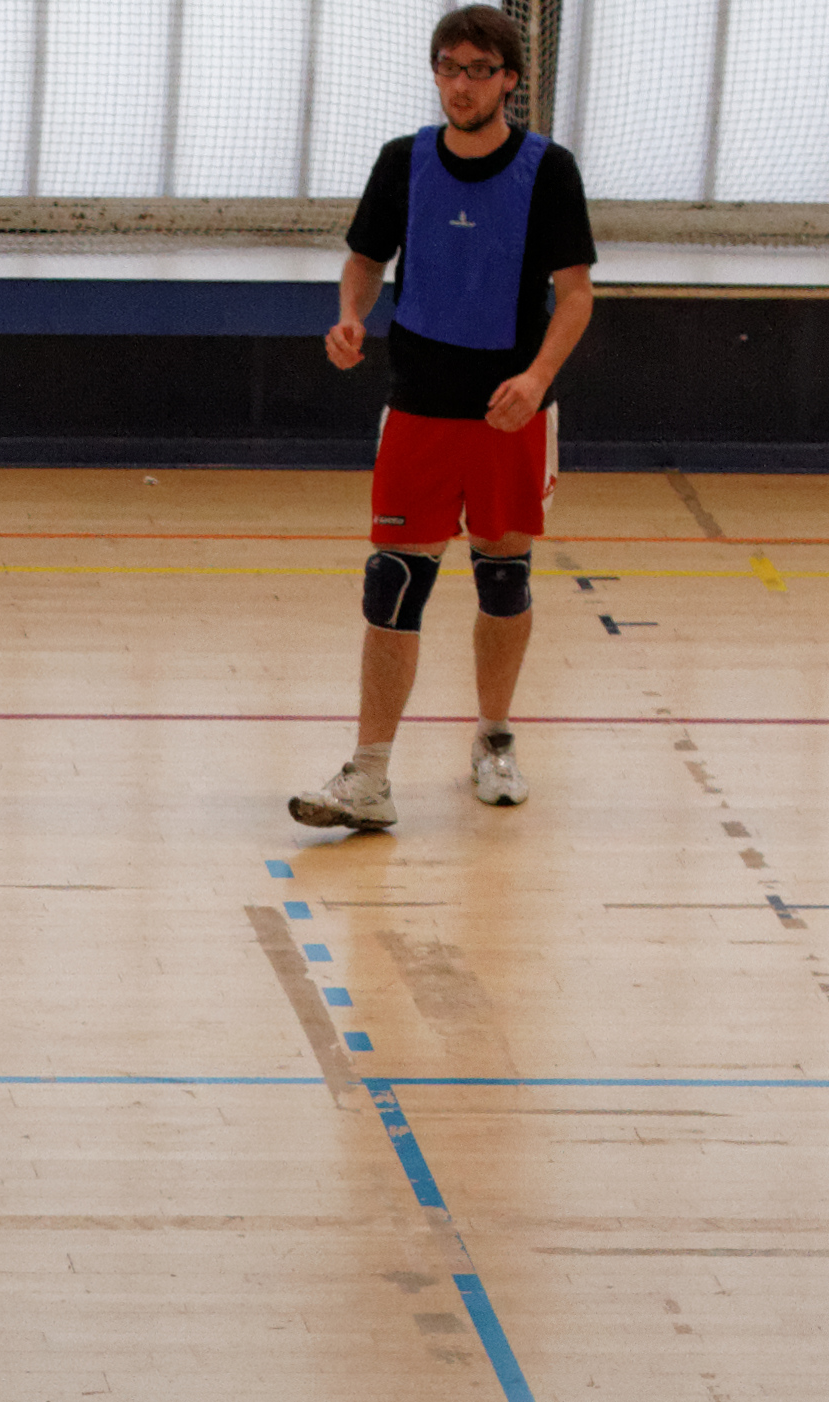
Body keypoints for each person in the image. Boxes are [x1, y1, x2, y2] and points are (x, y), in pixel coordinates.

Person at [296, 4, 596, 833]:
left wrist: (536, 379)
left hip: (509, 414)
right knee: (393, 583)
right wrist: (352, 317)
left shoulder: (549, 170)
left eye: (477, 70)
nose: (460, 84)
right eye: (448, 68)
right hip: (419, 407)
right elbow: (365, 259)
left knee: (503, 578)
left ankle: (493, 739)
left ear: (510, 80)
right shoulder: (403, 162)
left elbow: (576, 296)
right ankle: (369, 776)